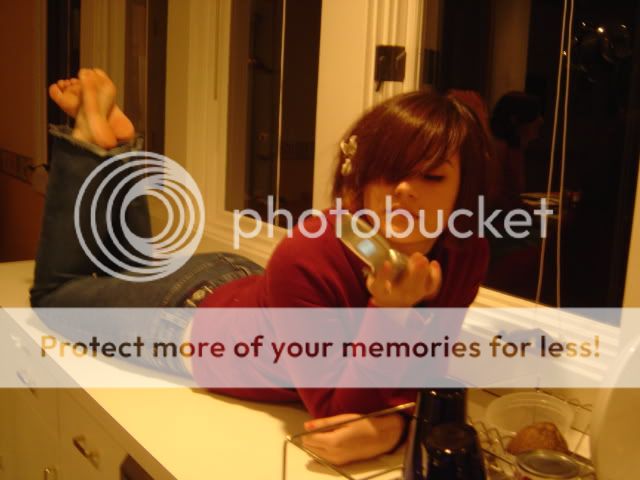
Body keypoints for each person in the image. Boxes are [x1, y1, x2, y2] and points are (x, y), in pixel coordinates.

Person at [32, 69, 491, 465]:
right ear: (360, 181)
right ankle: (88, 141)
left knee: (129, 263)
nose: (406, 190)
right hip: (183, 323)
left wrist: (394, 426)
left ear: (463, 188)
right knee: (54, 297)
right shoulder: (310, 251)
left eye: (433, 175)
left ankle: (116, 146)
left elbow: (423, 374)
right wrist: (391, 316)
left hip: (245, 287)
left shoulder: (464, 254)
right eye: (389, 172)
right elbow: (338, 412)